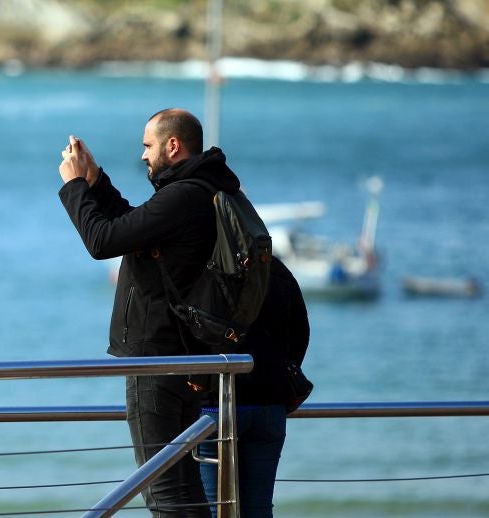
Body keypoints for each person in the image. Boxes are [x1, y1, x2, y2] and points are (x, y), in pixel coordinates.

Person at [57, 108, 243, 517]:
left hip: (157, 359)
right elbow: (132, 226)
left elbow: (102, 240)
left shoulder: (183, 196)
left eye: (147, 145)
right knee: (180, 486)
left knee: (165, 491)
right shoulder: (200, 191)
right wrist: (95, 181)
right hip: (181, 355)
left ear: (172, 145)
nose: (143, 155)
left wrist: (73, 186)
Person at [196, 255, 309, 518]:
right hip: (269, 406)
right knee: (258, 508)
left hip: (214, 409)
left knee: (214, 508)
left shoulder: (202, 269)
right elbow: (300, 334)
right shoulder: (276, 268)